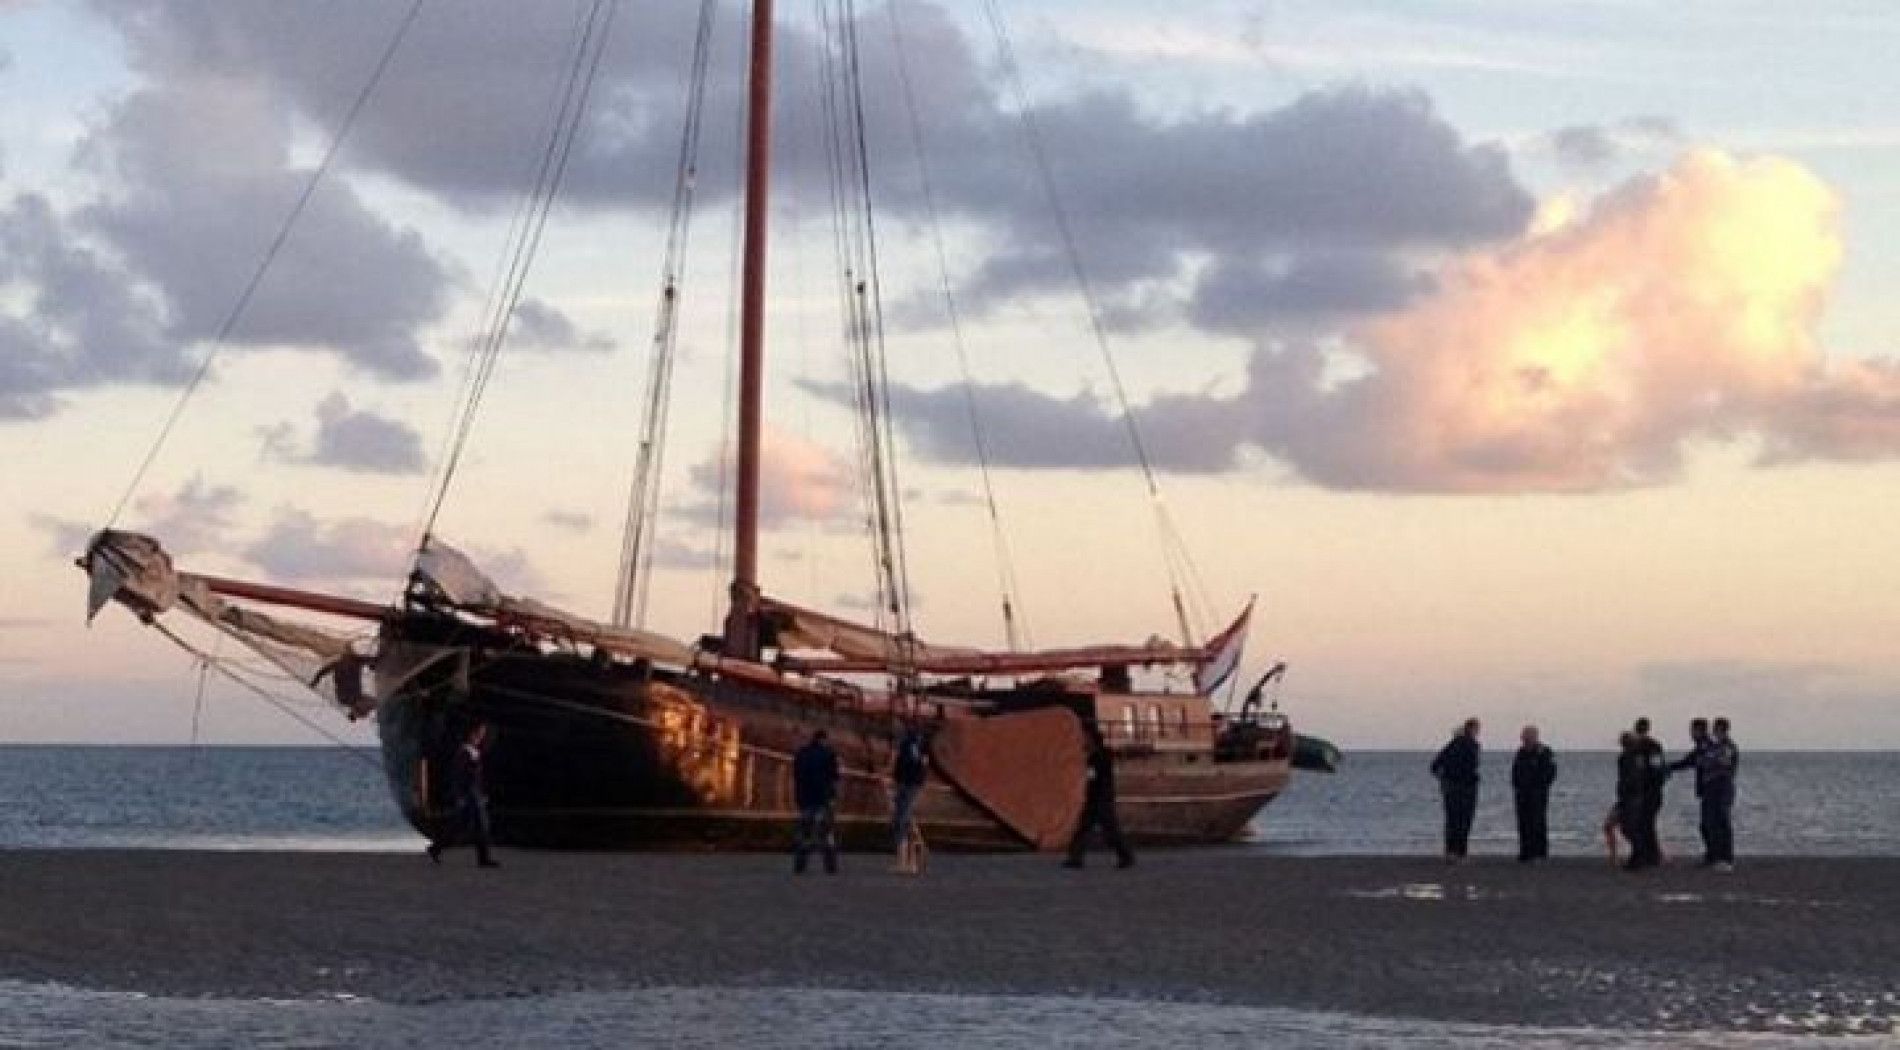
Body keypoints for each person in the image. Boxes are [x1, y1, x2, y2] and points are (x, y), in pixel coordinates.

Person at [1063, 720, 1134, 869]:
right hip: (1097, 798)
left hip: (1100, 798)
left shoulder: (1098, 757)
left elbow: (1094, 778)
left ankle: (1125, 855)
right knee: (1087, 828)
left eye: (1086, 738)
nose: (1084, 741)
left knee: (1108, 829)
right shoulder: (1097, 756)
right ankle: (1076, 857)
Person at [428, 722, 499, 868]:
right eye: (479, 734)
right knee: (480, 826)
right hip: (468, 794)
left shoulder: (474, 752)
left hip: (474, 793)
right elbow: (458, 776)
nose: (481, 737)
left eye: (482, 734)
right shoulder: (464, 753)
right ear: (471, 734)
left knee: (462, 826)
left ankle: (437, 847)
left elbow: (477, 778)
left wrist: (482, 793)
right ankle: (483, 859)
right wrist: (459, 795)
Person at [1429, 718, 1482, 863]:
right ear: (1471, 729)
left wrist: (1443, 779)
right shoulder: (1472, 745)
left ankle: (1451, 851)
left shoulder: (1451, 745)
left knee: (1452, 820)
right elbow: (1472, 765)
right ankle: (1460, 852)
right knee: (1463, 820)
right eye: (1476, 729)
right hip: (1464, 787)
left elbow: (1434, 766)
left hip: (1451, 787)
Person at [793, 728, 842, 875]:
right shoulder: (829, 755)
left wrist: (799, 797)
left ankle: (800, 863)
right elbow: (834, 777)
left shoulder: (801, 754)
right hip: (824, 798)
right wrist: (833, 797)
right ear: (824, 740)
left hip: (806, 798)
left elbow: (796, 776)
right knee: (826, 832)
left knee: (805, 831)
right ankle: (830, 865)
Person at [1625, 718, 1670, 869]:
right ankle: (1650, 855)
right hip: (1644, 790)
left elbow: (1656, 769)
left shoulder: (1651, 747)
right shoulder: (1640, 747)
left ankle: (1648, 856)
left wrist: (1652, 785)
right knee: (1645, 824)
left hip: (1649, 791)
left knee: (1644, 823)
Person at [1669, 718, 1715, 864]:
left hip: (1711, 790)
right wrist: (1669, 767)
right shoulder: (1702, 747)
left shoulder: (1706, 747)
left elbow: (1689, 762)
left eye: (1693, 730)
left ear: (1700, 730)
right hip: (1707, 790)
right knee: (1707, 824)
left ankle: (1713, 855)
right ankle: (1712, 854)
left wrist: (1667, 767)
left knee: (1709, 824)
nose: (1691, 733)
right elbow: (1688, 761)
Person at [1510, 725, 1557, 863]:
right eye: (1523, 737)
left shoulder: (1544, 752)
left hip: (1537, 793)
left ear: (1534, 737)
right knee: (1523, 822)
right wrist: (1516, 784)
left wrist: (1541, 785)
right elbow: (1516, 770)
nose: (1524, 740)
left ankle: (1539, 853)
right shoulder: (1521, 752)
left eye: (1526, 737)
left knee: (1537, 822)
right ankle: (1525, 851)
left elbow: (1550, 772)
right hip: (1522, 793)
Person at [890, 725, 929, 875]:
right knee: (904, 819)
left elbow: (900, 763)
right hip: (912, 784)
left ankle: (907, 862)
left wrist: (894, 778)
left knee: (902, 820)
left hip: (906, 784)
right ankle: (909, 860)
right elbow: (922, 764)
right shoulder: (919, 746)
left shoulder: (907, 745)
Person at [1704, 717, 1741, 871]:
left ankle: (1726, 857)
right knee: (1712, 822)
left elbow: (1723, 763)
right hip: (1712, 786)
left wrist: (1712, 762)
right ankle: (1716, 855)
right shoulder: (1714, 747)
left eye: (1717, 729)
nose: (1714, 732)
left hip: (1723, 786)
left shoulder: (1728, 747)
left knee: (1723, 821)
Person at [1612, 730, 1644, 868]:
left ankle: (1638, 855)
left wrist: (1625, 791)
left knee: (1629, 827)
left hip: (1630, 796)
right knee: (1629, 827)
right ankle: (1638, 854)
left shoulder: (1628, 757)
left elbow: (1630, 777)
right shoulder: (1635, 757)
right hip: (1632, 795)